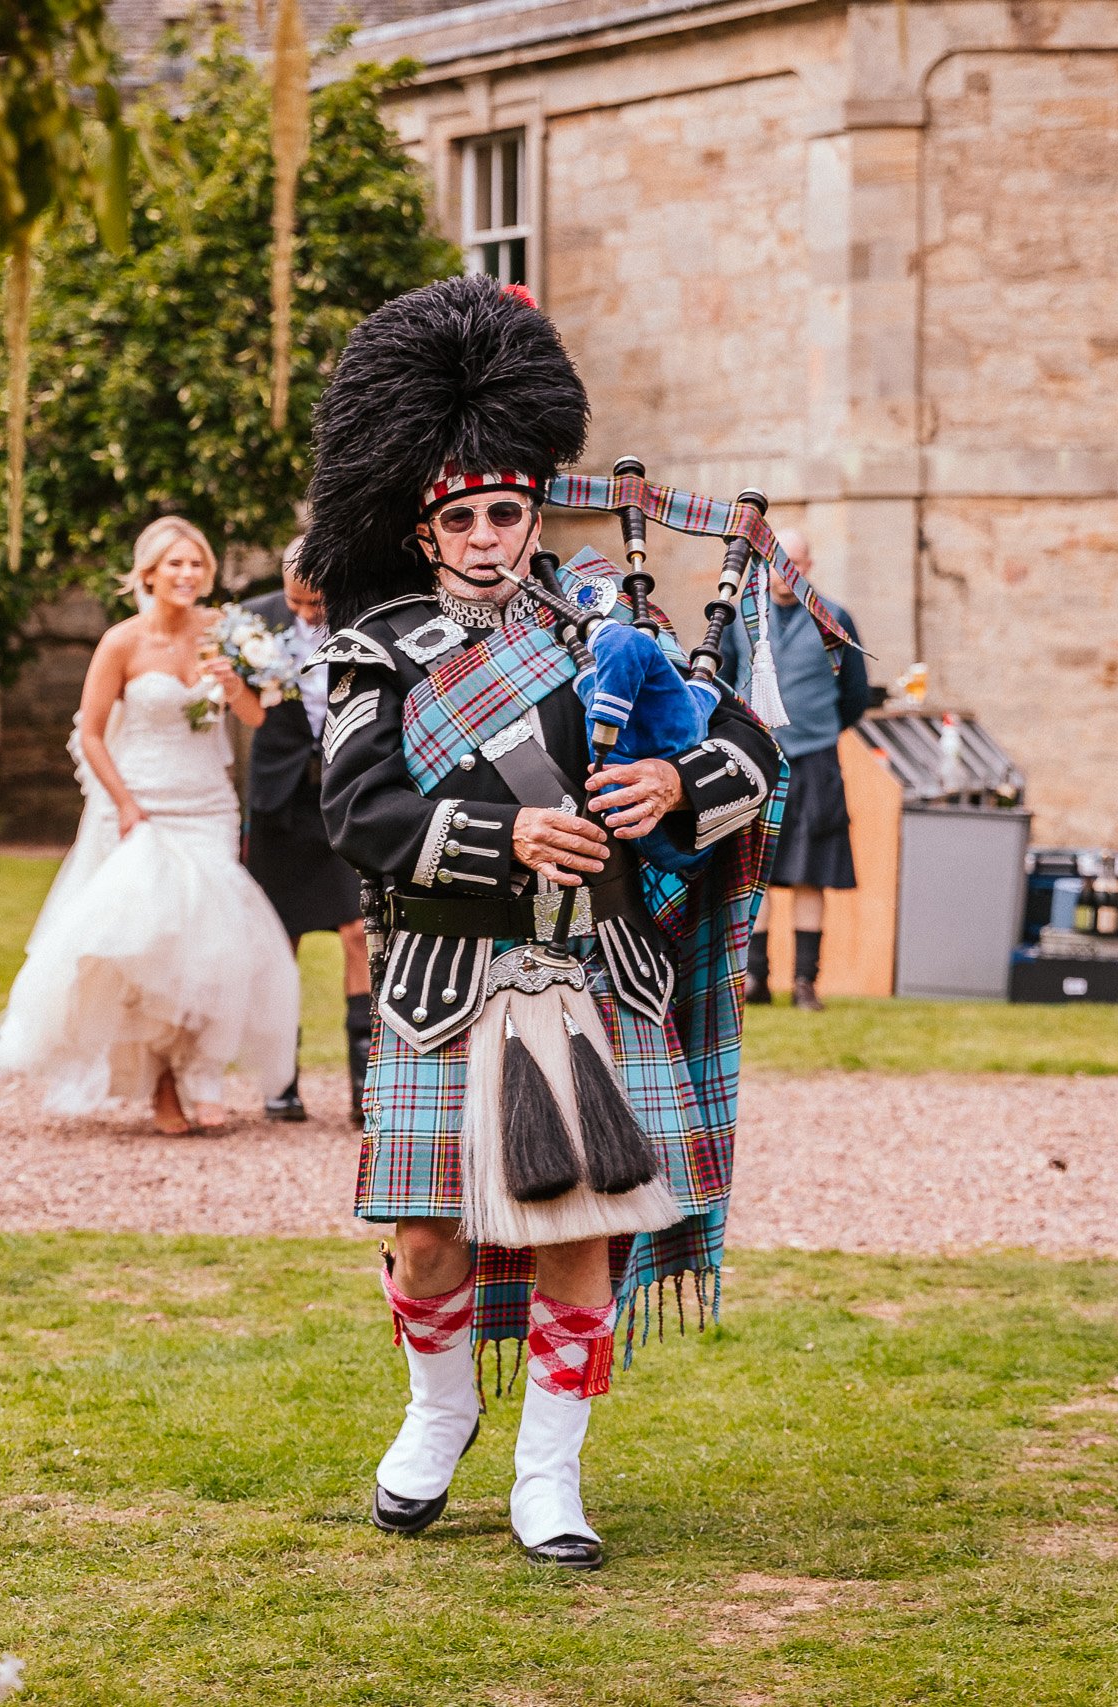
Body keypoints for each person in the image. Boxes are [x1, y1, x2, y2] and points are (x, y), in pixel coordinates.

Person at [301, 276, 784, 1570]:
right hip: (442, 977)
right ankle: (437, 1407)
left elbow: (747, 749)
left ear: (532, 507)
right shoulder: (373, 653)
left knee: (584, 1230)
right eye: (458, 515)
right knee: (425, 1228)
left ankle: (549, 1471)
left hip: (591, 969)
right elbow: (356, 806)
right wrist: (507, 831)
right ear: (418, 522)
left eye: (505, 510)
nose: (484, 537)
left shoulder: (599, 630)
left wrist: (678, 780)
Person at [0, 515, 300, 1134]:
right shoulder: (122, 643)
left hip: (208, 805)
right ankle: (163, 1088)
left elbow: (256, 717)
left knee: (210, 944)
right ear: (149, 574)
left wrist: (234, 684)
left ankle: (202, 1073)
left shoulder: (226, 631)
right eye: (175, 565)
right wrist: (126, 805)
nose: (188, 575)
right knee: (153, 946)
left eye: (197, 565)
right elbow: (90, 731)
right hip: (143, 806)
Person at [240, 540, 375, 1124]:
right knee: (280, 937)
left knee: (357, 933)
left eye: (317, 603)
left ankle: (364, 1090)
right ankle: (280, 1082)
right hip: (280, 800)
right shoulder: (250, 620)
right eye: (297, 600)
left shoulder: (363, 616)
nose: (306, 613)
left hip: (345, 795)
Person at [720, 528, 870, 1010]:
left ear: (809, 566)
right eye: (778, 563)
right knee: (752, 872)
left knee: (812, 872)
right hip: (754, 759)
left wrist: (817, 732)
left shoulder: (835, 617)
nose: (787, 574)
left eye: (796, 564)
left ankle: (806, 983)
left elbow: (855, 695)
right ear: (762, 563)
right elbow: (720, 684)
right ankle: (755, 980)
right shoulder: (738, 616)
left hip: (815, 761)